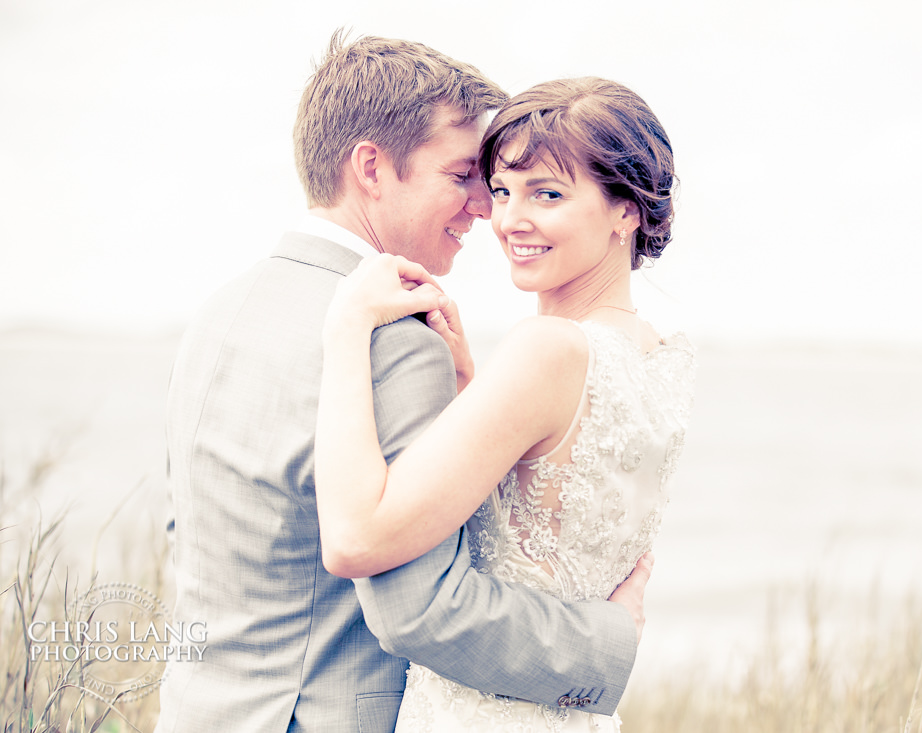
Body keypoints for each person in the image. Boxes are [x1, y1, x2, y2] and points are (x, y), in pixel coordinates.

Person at [157, 35, 650, 733]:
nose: (485, 207)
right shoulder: (393, 342)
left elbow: (191, 535)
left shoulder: (218, 312)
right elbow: (421, 606)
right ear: (371, 168)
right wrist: (601, 643)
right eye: (460, 176)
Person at [316, 76, 696, 731]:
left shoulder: (546, 351)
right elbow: (546, 513)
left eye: (547, 193)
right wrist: (470, 382)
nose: (508, 219)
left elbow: (354, 538)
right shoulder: (661, 354)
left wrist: (346, 327)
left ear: (625, 209)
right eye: (500, 190)